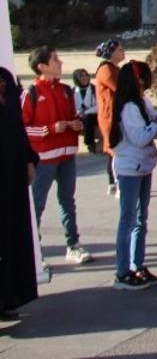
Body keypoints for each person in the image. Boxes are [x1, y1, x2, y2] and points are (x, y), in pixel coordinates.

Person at [22, 46, 92, 269]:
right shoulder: (31, 93)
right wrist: (50, 129)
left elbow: (72, 119)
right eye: (55, 60)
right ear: (42, 66)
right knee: (36, 206)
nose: (60, 63)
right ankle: (32, 252)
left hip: (67, 157)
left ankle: (73, 245)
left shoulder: (65, 90)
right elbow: (21, 129)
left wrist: (76, 125)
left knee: (67, 202)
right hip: (42, 160)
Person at [110, 60, 157, 289]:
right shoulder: (129, 107)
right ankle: (122, 272)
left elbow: (156, 124)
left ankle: (137, 264)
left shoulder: (142, 101)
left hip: (144, 166)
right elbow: (141, 138)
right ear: (138, 79)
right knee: (128, 219)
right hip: (129, 168)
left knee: (141, 219)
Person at [0, 65, 38, 320]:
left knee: (10, 239)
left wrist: (27, 160)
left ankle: (7, 298)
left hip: (11, 181)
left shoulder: (6, 79)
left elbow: (18, 130)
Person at [94, 38, 125, 196]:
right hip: (109, 116)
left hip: (117, 114)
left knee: (115, 150)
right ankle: (117, 183)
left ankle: (113, 182)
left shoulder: (115, 68)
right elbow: (119, 89)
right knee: (115, 151)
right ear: (111, 53)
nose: (122, 51)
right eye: (119, 49)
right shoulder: (106, 69)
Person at [71, 69, 99, 155]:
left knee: (89, 118)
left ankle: (90, 143)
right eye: (81, 76)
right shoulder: (72, 91)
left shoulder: (94, 89)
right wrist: (79, 112)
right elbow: (71, 106)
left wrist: (86, 113)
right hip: (78, 115)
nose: (84, 78)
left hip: (93, 115)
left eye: (86, 75)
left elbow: (98, 105)